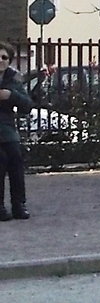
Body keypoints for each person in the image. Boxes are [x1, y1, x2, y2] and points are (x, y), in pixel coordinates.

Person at [0, 42, 34, 220]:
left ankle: (19, 204)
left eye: (4, 57)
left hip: (6, 129)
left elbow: (27, 105)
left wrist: (11, 96)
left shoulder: (13, 80)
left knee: (15, 158)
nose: (0, 61)